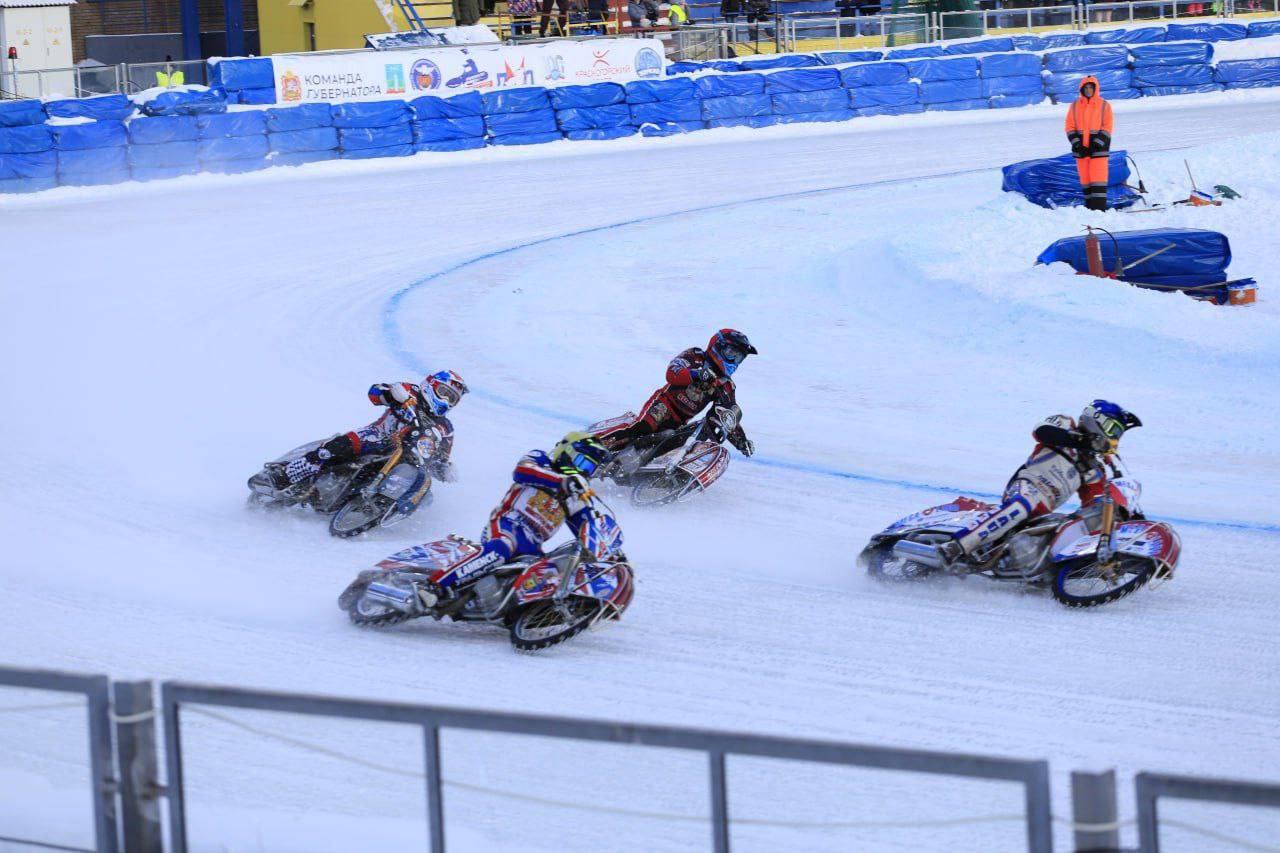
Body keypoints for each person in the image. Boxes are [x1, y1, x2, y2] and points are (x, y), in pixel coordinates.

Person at [935, 401, 1143, 566]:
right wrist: (1082, 441)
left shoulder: (1094, 470)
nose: (1115, 439)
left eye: (1118, 435)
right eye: (1113, 431)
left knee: (1069, 526)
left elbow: (1096, 503)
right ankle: (956, 546)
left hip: (1045, 510)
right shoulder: (1066, 424)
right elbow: (1042, 431)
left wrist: (1126, 514)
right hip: (1028, 487)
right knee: (1021, 506)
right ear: (1096, 419)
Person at [435, 432, 615, 592]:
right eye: (582, 463)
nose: (583, 471)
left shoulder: (574, 496)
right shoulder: (540, 459)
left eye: (589, 468)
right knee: (502, 548)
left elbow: (587, 528)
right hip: (507, 526)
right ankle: (435, 587)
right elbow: (522, 471)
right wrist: (562, 482)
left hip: (532, 546)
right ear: (567, 453)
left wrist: (610, 554)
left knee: (549, 577)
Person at [268, 370, 468, 489]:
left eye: (452, 399)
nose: (447, 400)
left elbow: (442, 455)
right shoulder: (411, 392)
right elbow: (374, 393)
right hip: (376, 436)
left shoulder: (444, 426)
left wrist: (445, 469)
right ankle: (288, 474)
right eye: (445, 393)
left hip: (405, 457)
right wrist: (391, 394)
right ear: (431, 385)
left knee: (425, 492)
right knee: (335, 448)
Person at [593, 329, 757, 457]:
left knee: (670, 446)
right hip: (664, 405)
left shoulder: (726, 385)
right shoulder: (695, 355)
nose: (734, 361)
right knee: (642, 427)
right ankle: (591, 447)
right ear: (718, 346)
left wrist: (741, 442)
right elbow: (672, 373)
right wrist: (695, 374)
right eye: (731, 353)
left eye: (738, 358)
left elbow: (727, 415)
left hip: (681, 422)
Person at [1065, 75, 1115, 212]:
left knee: (1098, 181)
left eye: (1090, 87)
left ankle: (1099, 210)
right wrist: (1077, 144)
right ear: (1081, 89)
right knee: (1086, 182)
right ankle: (1089, 210)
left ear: (1095, 89)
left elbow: (1107, 126)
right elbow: (1069, 127)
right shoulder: (1074, 106)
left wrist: (1096, 144)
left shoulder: (1104, 105)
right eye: (1085, 87)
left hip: (1098, 151)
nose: (1088, 90)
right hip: (1081, 152)